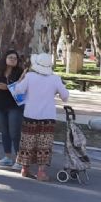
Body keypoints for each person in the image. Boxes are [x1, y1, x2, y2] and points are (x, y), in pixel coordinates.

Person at [12, 53, 69, 181]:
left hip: (30, 115)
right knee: (44, 144)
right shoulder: (55, 79)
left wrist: (21, 80)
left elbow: (18, 91)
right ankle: (41, 172)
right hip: (47, 116)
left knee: (27, 142)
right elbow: (65, 97)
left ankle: (25, 169)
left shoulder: (29, 76)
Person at [0, 50, 25, 168]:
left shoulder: (21, 72)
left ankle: (20, 159)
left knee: (15, 132)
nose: (13, 60)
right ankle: (7, 157)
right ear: (5, 58)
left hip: (15, 105)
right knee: (5, 132)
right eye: (10, 57)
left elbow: (22, 88)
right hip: (0, 104)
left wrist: (9, 88)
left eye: (15, 58)